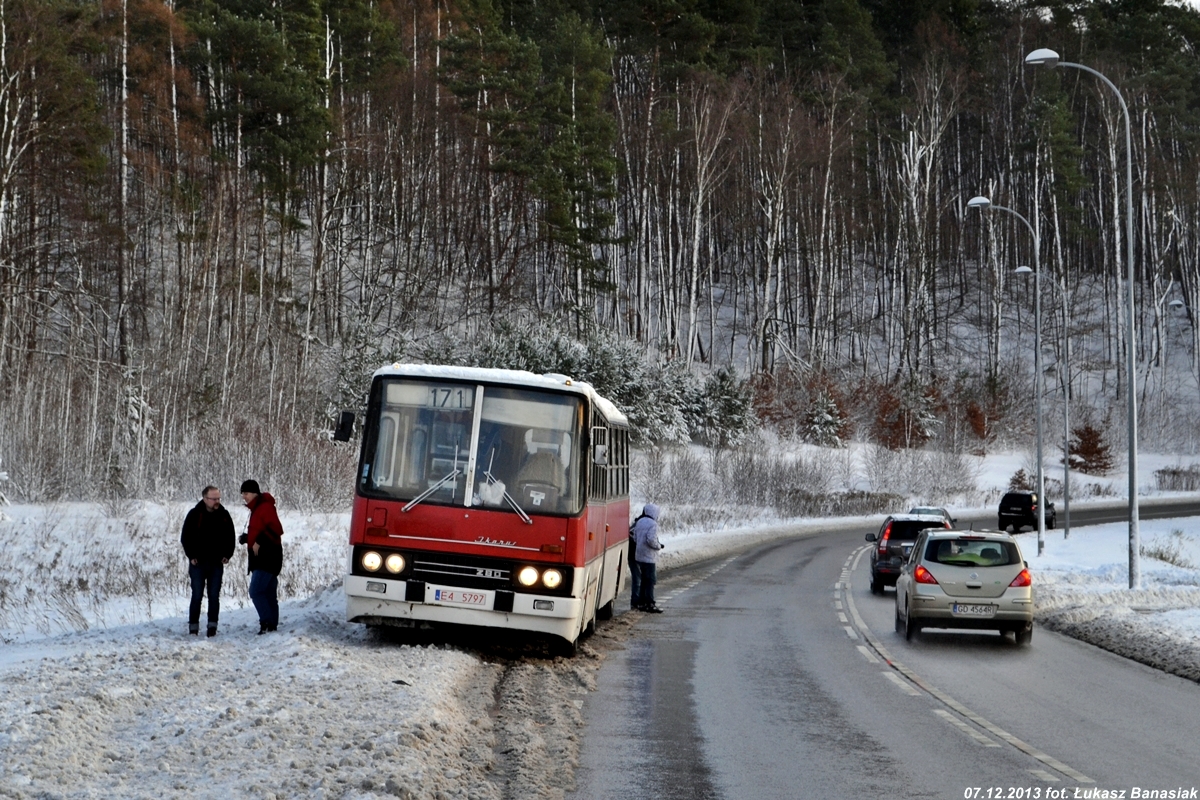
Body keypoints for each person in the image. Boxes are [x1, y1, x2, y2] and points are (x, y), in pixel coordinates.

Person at [180, 485, 236, 636]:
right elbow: (186, 538)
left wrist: (227, 554)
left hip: (216, 563)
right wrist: (191, 556)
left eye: (218, 498)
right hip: (198, 563)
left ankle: (212, 627)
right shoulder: (194, 514)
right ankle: (193, 627)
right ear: (205, 499)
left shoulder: (224, 515)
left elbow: (230, 537)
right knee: (197, 595)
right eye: (214, 498)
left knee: (214, 596)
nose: (217, 501)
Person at [239, 479, 284, 634]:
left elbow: (276, 530)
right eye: (242, 493)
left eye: (246, 493)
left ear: (254, 493)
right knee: (269, 593)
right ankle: (271, 626)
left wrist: (259, 540)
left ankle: (266, 623)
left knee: (256, 591)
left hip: (268, 557)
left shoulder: (265, 507)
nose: (244, 496)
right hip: (263, 557)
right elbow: (261, 529)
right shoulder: (257, 508)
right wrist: (248, 538)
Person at [632, 503, 664, 613]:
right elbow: (651, 540)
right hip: (649, 556)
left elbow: (635, 537)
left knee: (643, 580)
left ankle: (641, 602)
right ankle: (650, 603)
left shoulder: (639, 522)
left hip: (639, 555)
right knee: (650, 580)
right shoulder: (653, 524)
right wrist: (659, 546)